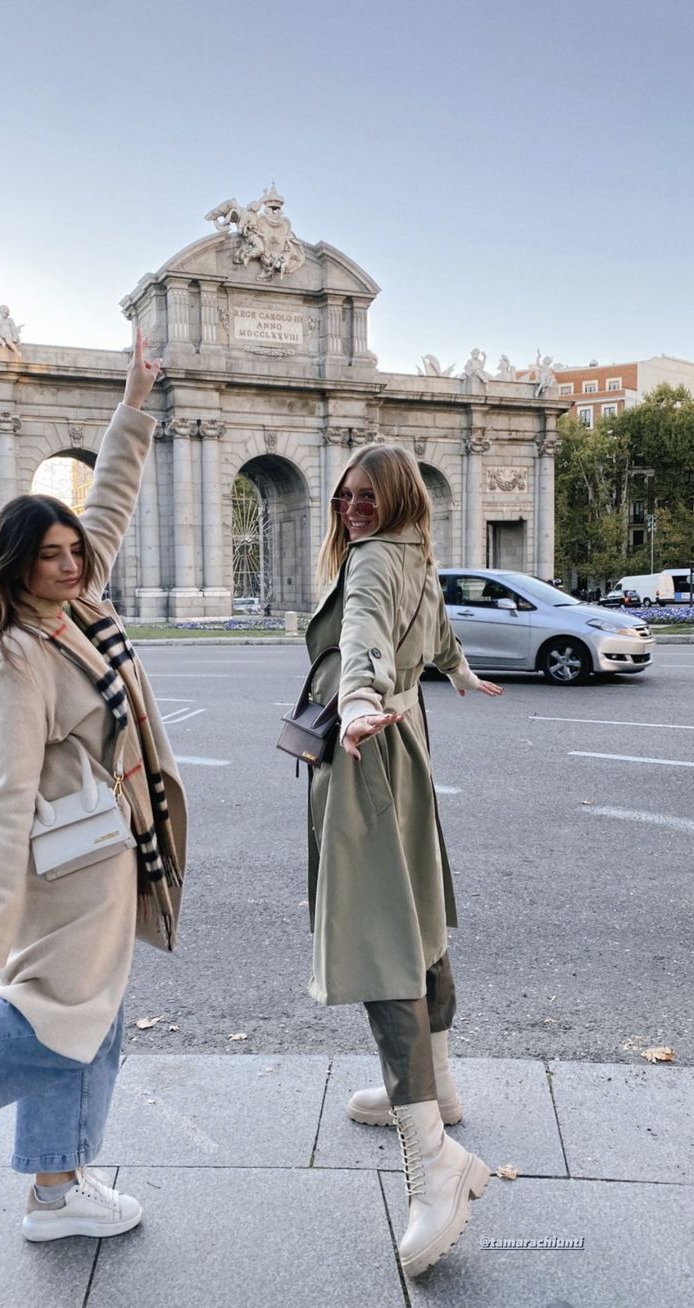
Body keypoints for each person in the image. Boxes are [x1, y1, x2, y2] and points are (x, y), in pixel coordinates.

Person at [0, 330, 187, 1242]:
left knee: (90, 1016)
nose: (71, 561)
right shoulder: (16, 655)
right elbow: (2, 796)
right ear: (14, 567)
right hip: (70, 868)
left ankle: (57, 1191)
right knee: (57, 1021)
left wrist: (134, 402)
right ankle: (59, 1189)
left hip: (105, 853)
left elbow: (115, 499)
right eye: (51, 554)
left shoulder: (80, 607)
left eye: (72, 549)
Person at [304, 444, 503, 1278]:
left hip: (366, 760)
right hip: (404, 751)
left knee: (379, 943)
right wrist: (456, 668)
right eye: (345, 496)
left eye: (366, 495)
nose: (352, 507)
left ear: (395, 499)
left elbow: (363, 641)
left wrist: (353, 701)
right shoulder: (414, 552)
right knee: (417, 924)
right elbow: (435, 625)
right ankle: (439, 1087)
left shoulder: (376, 561)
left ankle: (435, 1159)